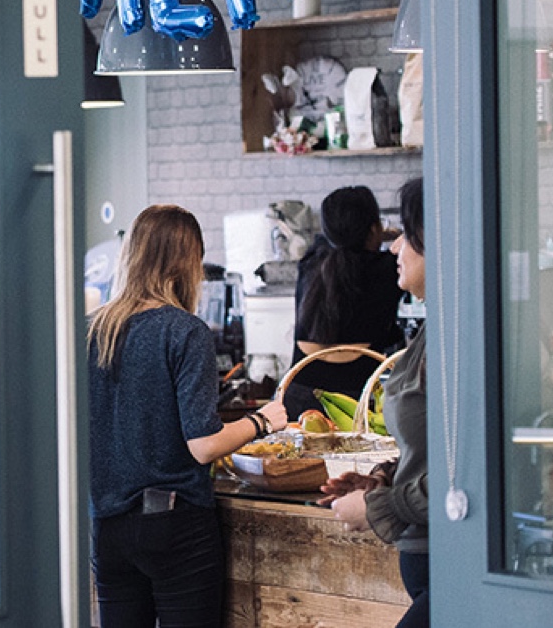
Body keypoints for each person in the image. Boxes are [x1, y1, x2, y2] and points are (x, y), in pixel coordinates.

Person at [88, 205, 287, 628]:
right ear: (187, 261)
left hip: (108, 527)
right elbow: (204, 445)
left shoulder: (93, 330)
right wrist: (265, 420)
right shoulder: (184, 330)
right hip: (175, 526)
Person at [322, 177, 428, 628]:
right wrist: (379, 479)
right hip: (427, 559)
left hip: (453, 560)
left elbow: (470, 477)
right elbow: (431, 454)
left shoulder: (464, 335)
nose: (393, 247)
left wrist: (376, 506)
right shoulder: (434, 329)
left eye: (405, 235)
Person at [285, 185, 406, 419]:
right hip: (352, 401)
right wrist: (390, 233)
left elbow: (326, 242)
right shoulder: (388, 269)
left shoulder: (310, 264)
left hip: (297, 396)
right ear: (373, 229)